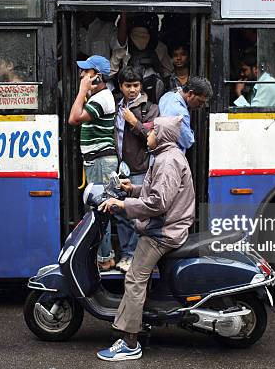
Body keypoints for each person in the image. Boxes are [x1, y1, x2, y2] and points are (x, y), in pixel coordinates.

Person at [96, 116, 195, 361]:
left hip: (162, 232)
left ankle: (130, 342)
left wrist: (122, 204)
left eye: (151, 132)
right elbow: (159, 193)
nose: (147, 135)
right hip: (169, 225)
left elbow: (159, 203)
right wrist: (132, 190)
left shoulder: (167, 161)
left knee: (134, 279)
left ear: (161, 135)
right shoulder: (165, 157)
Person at [68, 55, 118, 271]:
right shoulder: (99, 96)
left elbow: (73, 119)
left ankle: (104, 258)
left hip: (100, 163)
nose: (81, 75)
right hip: (97, 162)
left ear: (97, 76)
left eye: (86, 72)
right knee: (98, 208)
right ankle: (104, 256)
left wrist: (81, 91)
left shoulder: (101, 99)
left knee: (99, 209)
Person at [114, 66, 160, 273]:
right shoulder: (115, 106)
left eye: (136, 86)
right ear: (120, 87)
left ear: (141, 86)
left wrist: (134, 123)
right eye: (128, 86)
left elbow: (152, 138)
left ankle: (133, 255)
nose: (132, 90)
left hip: (141, 167)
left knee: (139, 214)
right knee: (120, 214)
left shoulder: (150, 108)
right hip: (119, 168)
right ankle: (126, 254)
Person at [158, 76, 212, 152]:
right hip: (171, 158)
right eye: (200, 101)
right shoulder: (180, 113)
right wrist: (190, 132)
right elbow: (187, 142)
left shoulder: (168, 96)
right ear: (190, 93)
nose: (201, 106)